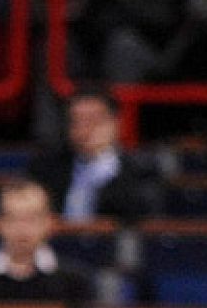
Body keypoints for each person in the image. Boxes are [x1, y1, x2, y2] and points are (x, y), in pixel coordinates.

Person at [27, 89, 164, 223]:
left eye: (94, 121)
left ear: (115, 123)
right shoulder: (44, 168)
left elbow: (145, 223)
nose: (85, 130)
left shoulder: (142, 172)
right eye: (77, 121)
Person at [0, 181, 94, 306]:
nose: (22, 228)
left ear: (49, 223)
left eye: (32, 219)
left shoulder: (74, 282)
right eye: (13, 218)